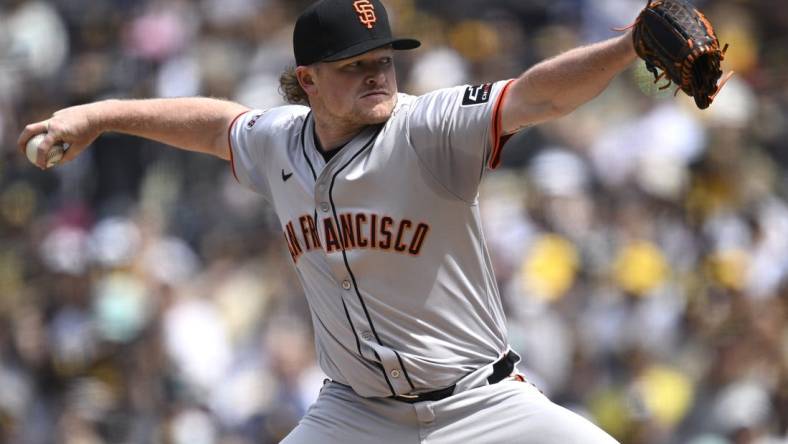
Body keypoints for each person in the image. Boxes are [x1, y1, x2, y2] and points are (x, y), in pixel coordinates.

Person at [18, 0, 638, 442]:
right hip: (357, 416)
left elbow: (538, 96)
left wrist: (627, 45)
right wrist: (99, 114)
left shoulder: (428, 128)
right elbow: (213, 124)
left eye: (384, 61)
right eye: (354, 65)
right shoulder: (279, 140)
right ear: (307, 81)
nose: (377, 74)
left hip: (482, 404)